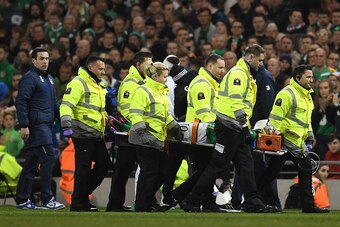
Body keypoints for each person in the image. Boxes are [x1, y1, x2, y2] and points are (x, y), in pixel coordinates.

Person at [181, 44, 276, 213]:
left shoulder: (244, 74)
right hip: (229, 127)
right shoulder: (238, 74)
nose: (261, 64)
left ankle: (252, 201)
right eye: (259, 60)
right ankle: (191, 199)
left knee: (246, 166)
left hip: (235, 128)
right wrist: (246, 127)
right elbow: (236, 102)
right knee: (217, 166)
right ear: (251, 58)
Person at [257, 65, 330, 213]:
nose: (311, 79)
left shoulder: (307, 95)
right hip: (284, 141)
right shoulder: (287, 94)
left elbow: (306, 120)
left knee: (302, 170)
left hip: (297, 142)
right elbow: (275, 117)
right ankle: (253, 199)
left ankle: (308, 206)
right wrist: (276, 137)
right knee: (274, 172)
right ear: (298, 78)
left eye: (311, 76)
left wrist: (309, 137)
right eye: (308, 77)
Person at [128, 62, 182, 212]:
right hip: (145, 137)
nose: (166, 79)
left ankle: (146, 202)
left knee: (163, 171)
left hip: (157, 138)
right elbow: (135, 113)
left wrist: (174, 126)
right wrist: (142, 133)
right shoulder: (143, 91)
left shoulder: (160, 92)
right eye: (164, 76)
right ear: (156, 76)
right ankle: (142, 206)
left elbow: (164, 116)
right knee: (149, 172)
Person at [15, 47, 65, 210]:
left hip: (46, 125)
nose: (45, 61)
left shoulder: (49, 78)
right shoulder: (30, 78)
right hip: (36, 126)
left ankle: (22, 199)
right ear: (34, 61)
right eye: (41, 58)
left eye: (47, 58)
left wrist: (63, 119)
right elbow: (21, 101)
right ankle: (47, 199)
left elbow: (54, 104)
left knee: (31, 163)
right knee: (49, 158)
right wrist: (24, 125)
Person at [60, 55, 111, 212]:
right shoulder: (78, 83)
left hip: (96, 133)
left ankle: (81, 197)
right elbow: (66, 105)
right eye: (100, 68)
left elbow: (98, 111)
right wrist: (66, 126)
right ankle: (78, 203)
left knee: (104, 164)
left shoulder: (99, 85)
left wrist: (109, 122)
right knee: (83, 168)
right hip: (82, 132)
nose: (103, 71)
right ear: (91, 68)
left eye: (104, 68)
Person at [106, 52, 153, 212]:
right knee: (124, 171)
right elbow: (125, 109)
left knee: (142, 170)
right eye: (148, 63)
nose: (151, 67)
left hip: (138, 133)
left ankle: (141, 203)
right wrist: (138, 126)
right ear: (139, 65)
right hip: (129, 134)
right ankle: (116, 205)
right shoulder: (130, 83)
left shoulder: (144, 81)